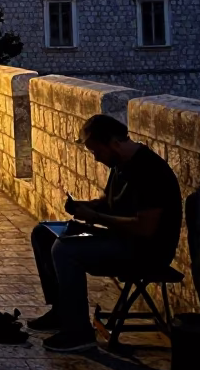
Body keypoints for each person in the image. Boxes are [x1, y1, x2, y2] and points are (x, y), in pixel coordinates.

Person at [28, 113, 182, 353]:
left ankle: (78, 332)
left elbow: (145, 228)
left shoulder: (149, 171)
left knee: (66, 250)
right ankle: (62, 312)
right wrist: (86, 206)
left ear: (114, 143)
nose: (97, 158)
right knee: (43, 233)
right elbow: (110, 203)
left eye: (97, 151)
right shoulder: (121, 164)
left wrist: (97, 219)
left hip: (145, 251)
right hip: (121, 239)